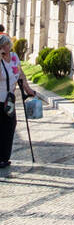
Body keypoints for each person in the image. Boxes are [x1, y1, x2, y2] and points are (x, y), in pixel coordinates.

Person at [0, 34, 36, 170]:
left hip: (9, 99)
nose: (6, 48)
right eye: (2, 46)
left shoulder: (14, 57)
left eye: (7, 44)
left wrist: (28, 89)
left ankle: (4, 157)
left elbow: (20, 74)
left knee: (10, 126)